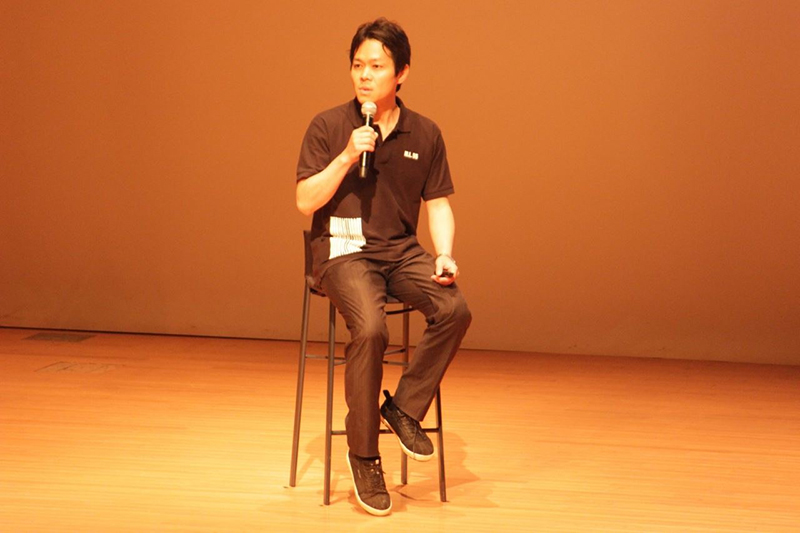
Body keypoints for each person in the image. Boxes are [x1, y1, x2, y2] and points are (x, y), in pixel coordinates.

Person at [295, 17, 471, 516]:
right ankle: (364, 454)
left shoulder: (426, 132)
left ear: (402, 73)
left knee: (454, 309)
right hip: (343, 250)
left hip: (400, 251)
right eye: (358, 66)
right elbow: (305, 201)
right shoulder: (329, 126)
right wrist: (347, 156)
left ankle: (402, 408)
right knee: (371, 328)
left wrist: (443, 252)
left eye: (376, 66)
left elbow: (438, 202)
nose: (365, 76)